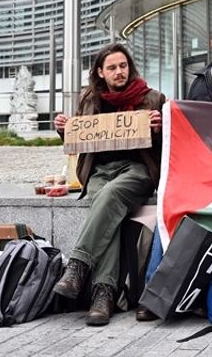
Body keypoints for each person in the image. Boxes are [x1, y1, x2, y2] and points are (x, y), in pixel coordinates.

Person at [51, 44, 165, 326]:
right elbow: (79, 139)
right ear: (101, 72)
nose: (119, 72)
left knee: (110, 195)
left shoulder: (153, 98)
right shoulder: (90, 99)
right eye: (112, 67)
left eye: (123, 66)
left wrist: (159, 129)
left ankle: (78, 265)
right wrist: (64, 129)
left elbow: (171, 145)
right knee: (106, 206)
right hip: (100, 171)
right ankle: (103, 294)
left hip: (137, 170)